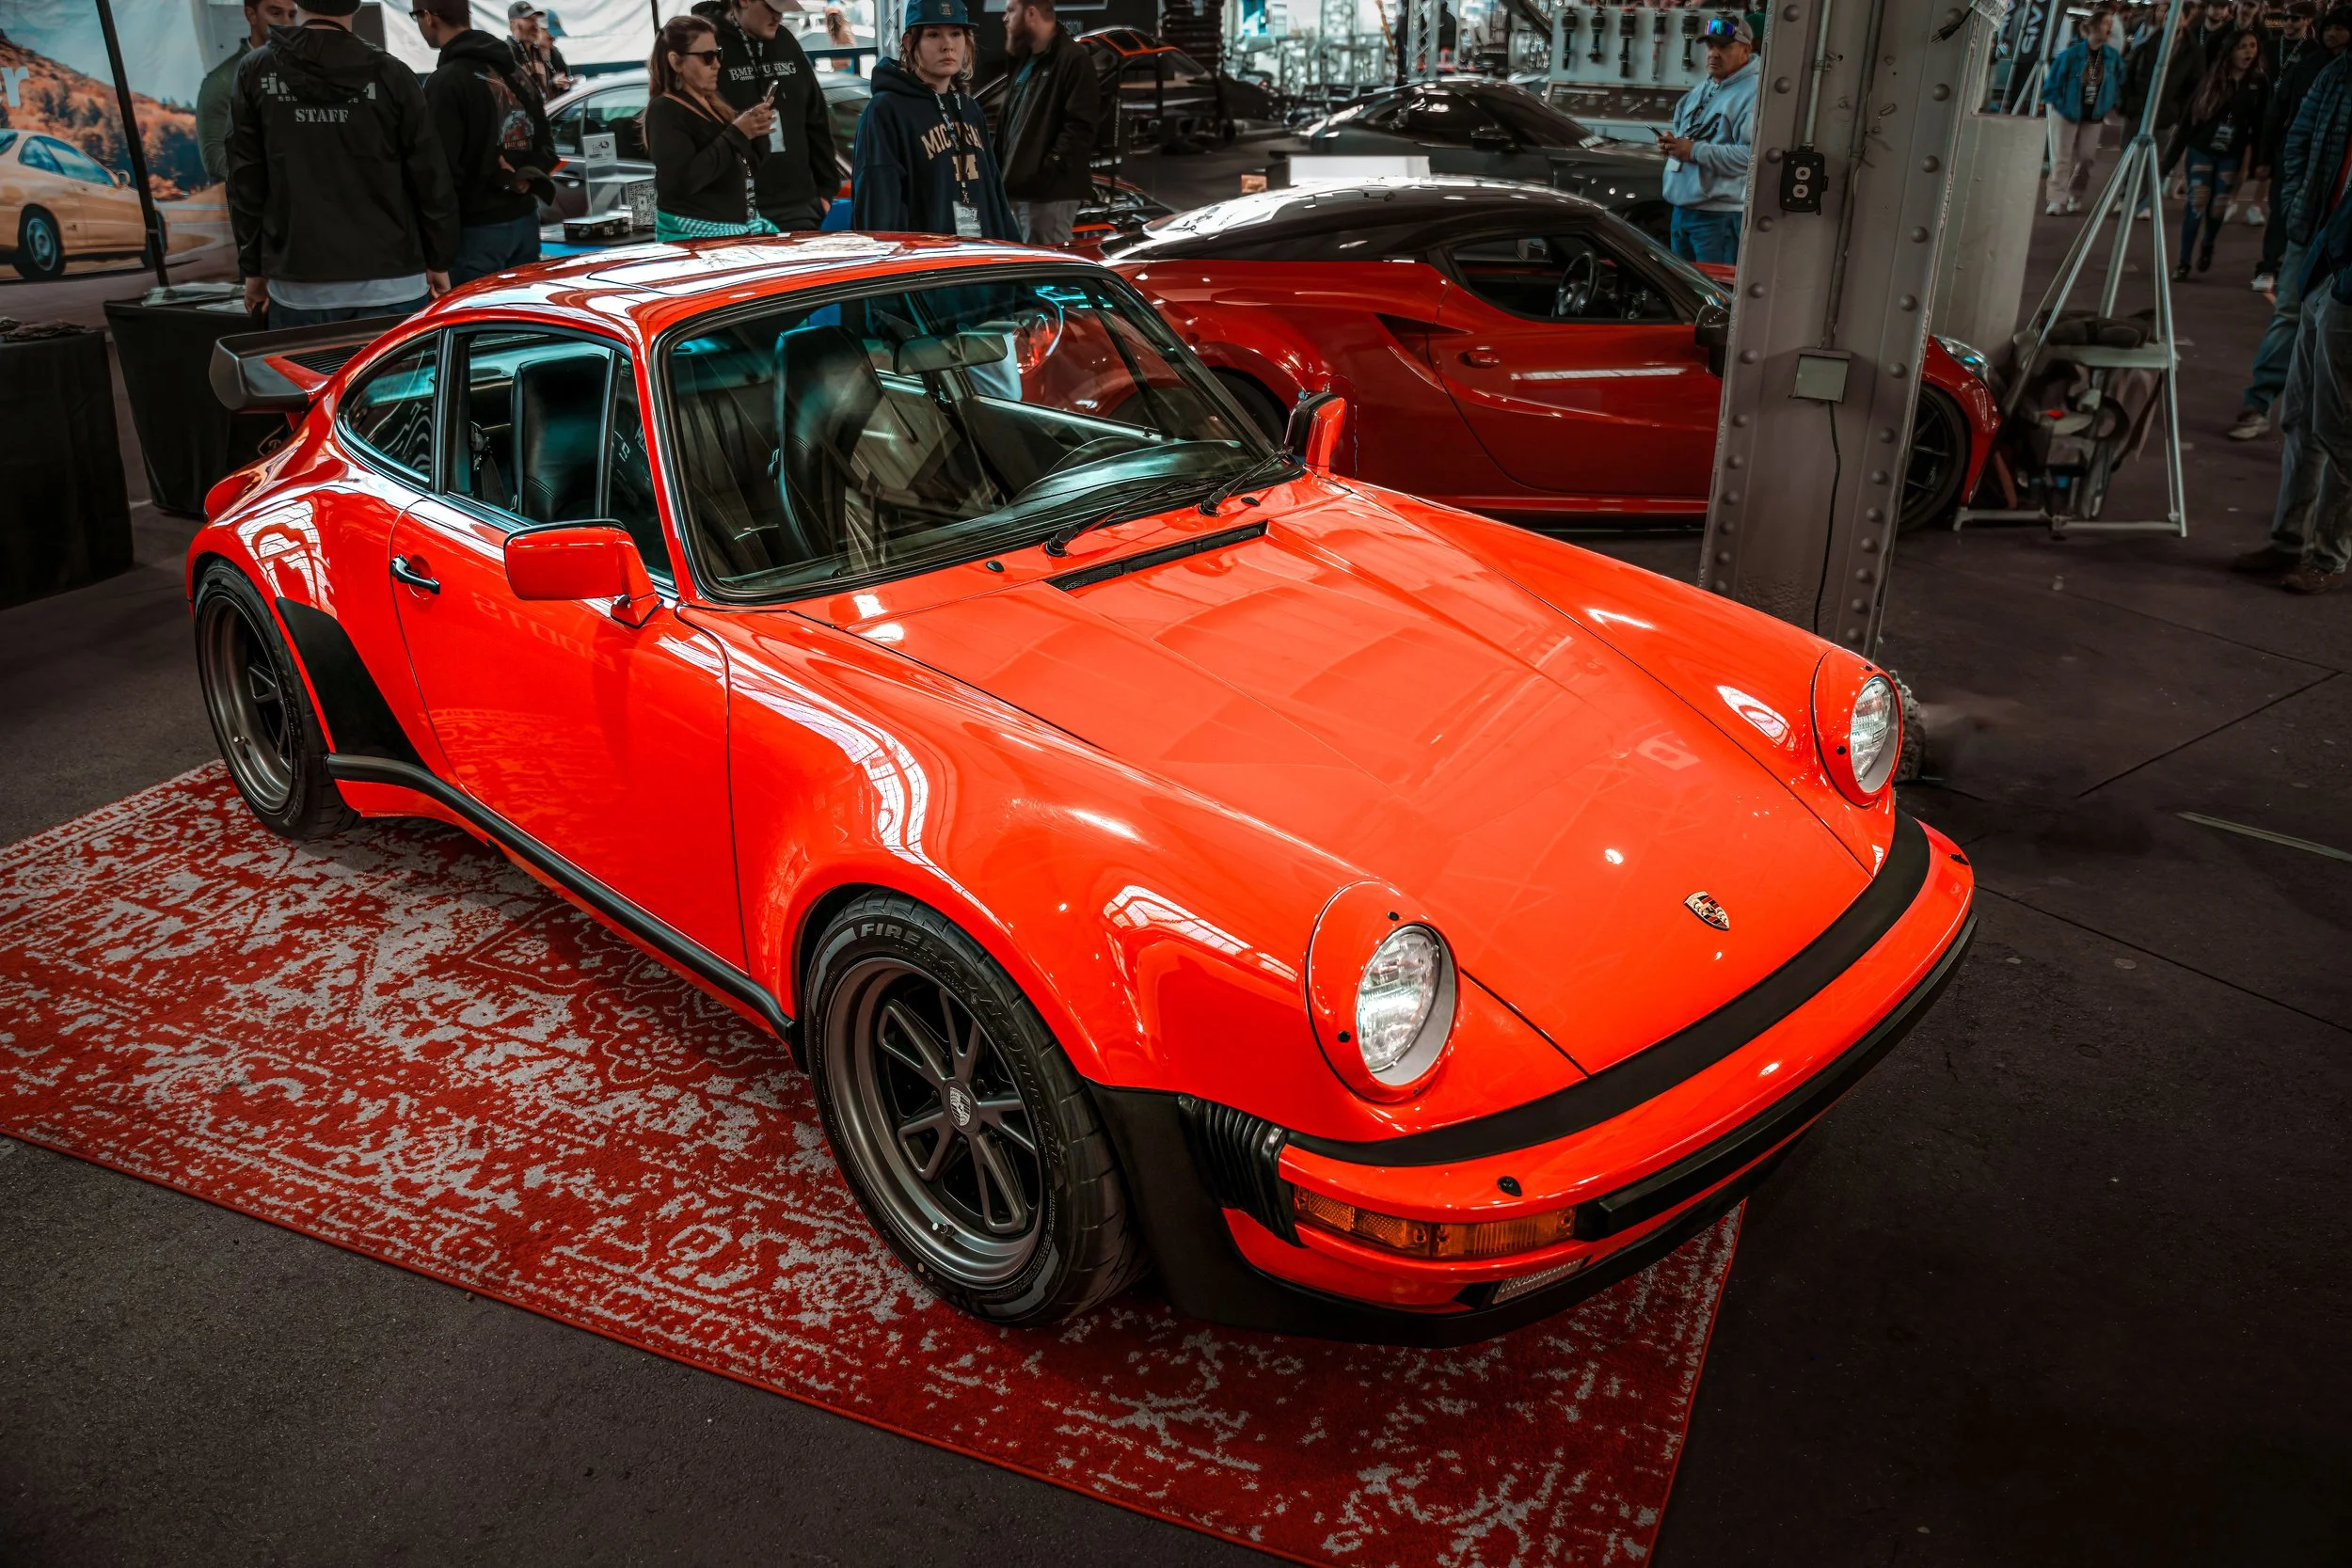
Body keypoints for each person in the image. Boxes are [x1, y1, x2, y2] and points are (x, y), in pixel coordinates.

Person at [226, 0, 458, 326]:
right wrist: (439, 259)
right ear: (356, 4)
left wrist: (253, 269)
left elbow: (245, 178)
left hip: (300, 282)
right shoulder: (392, 73)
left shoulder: (256, 70)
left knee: (309, 365)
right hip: (393, 278)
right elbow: (430, 176)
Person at [2233, 47, 2352, 589]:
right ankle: (2289, 541)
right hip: (2321, 252)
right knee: (2301, 415)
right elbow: (2298, 141)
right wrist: (2302, 212)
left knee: (2339, 426)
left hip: (2342, 273)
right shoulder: (2338, 72)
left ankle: (2327, 556)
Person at [850, 0, 1019, 240]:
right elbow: (879, 210)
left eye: (955, 34)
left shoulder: (969, 109)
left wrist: (1011, 250)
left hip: (981, 255)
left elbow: (995, 196)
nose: (947, 45)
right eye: (933, 34)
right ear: (909, 42)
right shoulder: (885, 110)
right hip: (928, 261)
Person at [411, 0, 553, 285]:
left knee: (479, 313)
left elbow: (439, 174)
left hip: (477, 232)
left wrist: (436, 253)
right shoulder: (517, 73)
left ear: (428, 17)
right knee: (525, 311)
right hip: (525, 221)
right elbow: (546, 141)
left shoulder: (446, 82)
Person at [681, 0, 836, 231]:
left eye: (782, 10)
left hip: (799, 208)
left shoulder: (785, 41)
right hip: (735, 215)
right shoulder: (708, 47)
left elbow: (816, 118)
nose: (778, 17)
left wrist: (825, 192)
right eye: (771, 8)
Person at [644, 14, 782, 239]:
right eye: (707, 57)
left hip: (734, 232)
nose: (717, 64)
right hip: (695, 239)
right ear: (676, 61)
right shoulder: (665, 110)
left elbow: (746, 166)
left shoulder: (715, 106)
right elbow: (684, 180)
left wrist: (757, 131)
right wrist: (737, 133)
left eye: (718, 54)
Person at [2250, 2, 2347, 293]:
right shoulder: (2309, 64)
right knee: (2284, 213)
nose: (2332, 34)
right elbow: (2280, 111)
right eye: (2328, 28)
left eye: (2340, 29)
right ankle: (2269, 266)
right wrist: (2266, 157)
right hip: (2298, 155)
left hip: (2334, 166)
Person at [1657, 15, 1757, 266]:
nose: (1714, 53)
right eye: (1710, 46)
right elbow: (1687, 135)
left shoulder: (1754, 93)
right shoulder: (1706, 86)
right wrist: (1672, 144)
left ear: (1746, 50)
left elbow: (1752, 157)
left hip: (1718, 219)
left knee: (1715, 290)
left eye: (1724, 47)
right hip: (1682, 212)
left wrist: (1693, 151)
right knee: (1681, 289)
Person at [997, 0, 1099, 245]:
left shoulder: (1073, 59)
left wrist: (1045, 174)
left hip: (1049, 195)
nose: (1005, 18)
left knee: (1048, 265)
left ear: (1031, 13)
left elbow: (1080, 129)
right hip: (1020, 190)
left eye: (1011, 10)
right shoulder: (1025, 60)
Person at [2169, 29, 2268, 275]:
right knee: (2196, 204)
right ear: (2230, 51)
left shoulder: (2259, 83)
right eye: (2242, 46)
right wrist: (2168, 161)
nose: (2248, 52)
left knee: (2218, 207)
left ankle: (2208, 244)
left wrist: (2260, 159)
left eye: (2252, 46)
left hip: (2232, 153)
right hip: (2202, 148)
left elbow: (2262, 124)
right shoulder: (2212, 78)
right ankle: (2183, 261)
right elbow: (2188, 122)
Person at [198, 0, 298, 183]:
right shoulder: (223, 82)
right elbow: (215, 157)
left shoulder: (307, 72)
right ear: (251, 15)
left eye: (292, 15)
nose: (286, 23)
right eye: (276, 13)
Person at [2044, 7, 2124, 215]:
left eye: (2111, 24)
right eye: (2106, 23)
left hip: (2094, 115)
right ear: (2094, 26)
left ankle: (2076, 193)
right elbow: (2053, 81)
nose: (2110, 28)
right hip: (2067, 112)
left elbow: (2120, 82)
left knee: (2087, 158)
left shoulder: (2112, 57)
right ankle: (2056, 199)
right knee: (2062, 157)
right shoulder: (2072, 54)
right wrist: (2058, 102)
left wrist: (2111, 103)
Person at [506, 2, 573, 99]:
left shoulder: (537, 52)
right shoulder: (507, 52)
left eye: (535, 19)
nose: (534, 24)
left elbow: (542, 89)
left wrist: (553, 84)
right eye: (528, 19)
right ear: (513, 24)